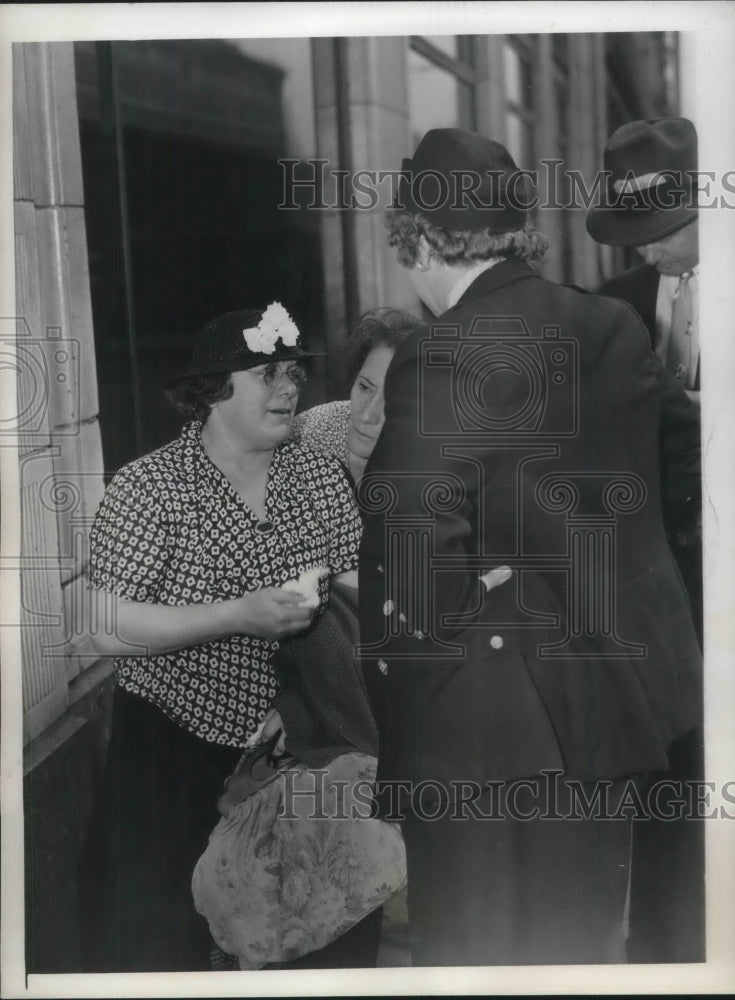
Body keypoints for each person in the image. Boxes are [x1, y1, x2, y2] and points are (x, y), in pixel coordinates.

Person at [358, 127, 703, 965]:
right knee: (580, 946)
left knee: (482, 956)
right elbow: (680, 475)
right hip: (615, 709)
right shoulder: (612, 324)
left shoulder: (439, 353)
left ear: (420, 238)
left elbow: (414, 577)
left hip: (490, 735)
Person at [78, 305, 363, 972]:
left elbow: (353, 585)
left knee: (314, 939)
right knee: (149, 939)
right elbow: (104, 628)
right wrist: (237, 614)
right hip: (170, 754)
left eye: (293, 372)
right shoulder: (150, 486)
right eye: (268, 373)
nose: (289, 387)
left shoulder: (318, 474)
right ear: (212, 391)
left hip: (300, 745)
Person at [586, 117, 705, 963]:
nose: (651, 253)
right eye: (636, 236)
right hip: (653, 598)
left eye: (664, 232)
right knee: (667, 793)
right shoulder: (613, 306)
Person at [292, 307, 424, 485]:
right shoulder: (303, 435)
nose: (368, 416)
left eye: (392, 399)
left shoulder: (433, 463)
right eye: (364, 387)